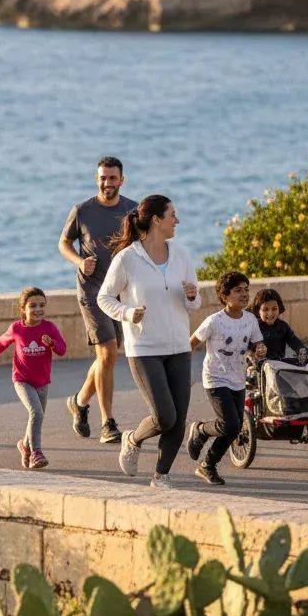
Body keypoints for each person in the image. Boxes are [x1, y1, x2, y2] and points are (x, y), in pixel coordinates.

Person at [97, 196, 201, 489]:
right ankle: (133, 438)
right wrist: (128, 313)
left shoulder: (180, 253)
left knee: (178, 419)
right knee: (164, 416)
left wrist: (193, 296)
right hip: (144, 350)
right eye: (173, 215)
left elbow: (194, 303)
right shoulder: (128, 258)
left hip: (179, 346)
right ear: (157, 220)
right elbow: (104, 297)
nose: (176, 221)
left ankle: (161, 476)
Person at [59, 156, 135, 445]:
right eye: (103, 178)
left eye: (113, 178)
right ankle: (108, 422)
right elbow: (63, 243)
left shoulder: (133, 210)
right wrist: (79, 262)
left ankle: (79, 402)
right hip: (91, 291)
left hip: (120, 292)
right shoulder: (82, 210)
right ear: (97, 179)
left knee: (108, 356)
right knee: (107, 352)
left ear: (121, 181)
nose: (107, 183)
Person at [185, 271, 267, 486]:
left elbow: (257, 344)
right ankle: (202, 435)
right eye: (238, 290)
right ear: (225, 296)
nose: (244, 294)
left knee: (235, 426)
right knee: (230, 424)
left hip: (238, 378)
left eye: (246, 289)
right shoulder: (214, 321)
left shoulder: (250, 320)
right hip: (215, 378)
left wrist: (259, 349)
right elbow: (190, 344)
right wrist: (182, 372)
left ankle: (206, 461)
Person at [0, 286, 67, 470]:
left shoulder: (49, 328)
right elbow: (0, 344)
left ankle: (25, 445)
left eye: (42, 305)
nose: (38, 309)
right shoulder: (17, 329)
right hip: (22, 380)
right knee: (36, 413)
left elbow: (62, 349)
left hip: (42, 381)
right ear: (23, 309)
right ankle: (36, 452)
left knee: (37, 416)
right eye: (33, 306)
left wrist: (52, 343)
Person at [251, 287, 308, 363]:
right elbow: (246, 349)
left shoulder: (283, 327)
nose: (270, 313)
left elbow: (294, 341)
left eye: (274, 309)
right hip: (257, 366)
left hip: (278, 365)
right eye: (265, 309)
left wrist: (301, 349)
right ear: (258, 310)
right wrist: (255, 354)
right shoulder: (254, 327)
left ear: (279, 308)